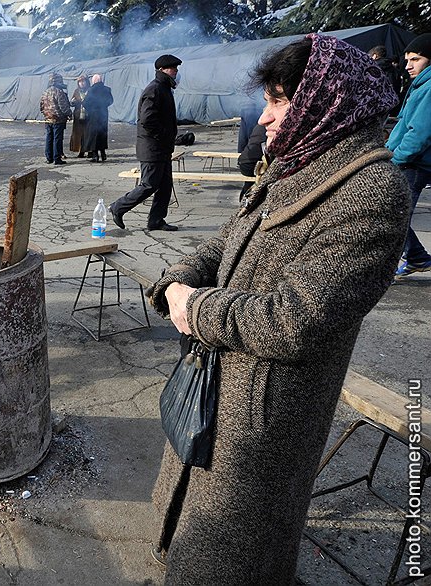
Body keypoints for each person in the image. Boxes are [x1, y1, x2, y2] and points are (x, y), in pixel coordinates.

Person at [147, 35, 409, 584]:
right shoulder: (296, 162)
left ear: (324, 101)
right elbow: (229, 238)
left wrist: (197, 310)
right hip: (219, 382)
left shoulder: (373, 192)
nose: (264, 117)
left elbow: (298, 319)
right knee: (195, 539)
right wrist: (179, 278)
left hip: (265, 412)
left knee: (235, 555)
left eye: (279, 100)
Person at [109, 55, 182, 231]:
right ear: (162, 70)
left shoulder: (164, 88)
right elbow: (147, 120)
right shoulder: (155, 89)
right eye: (173, 68)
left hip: (162, 147)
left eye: (177, 68)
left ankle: (156, 220)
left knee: (165, 186)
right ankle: (118, 207)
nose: (176, 71)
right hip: (153, 148)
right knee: (149, 185)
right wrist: (164, 135)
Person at [386, 33, 431, 279]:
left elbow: (420, 132)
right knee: (395, 216)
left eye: (416, 59)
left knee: (394, 217)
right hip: (406, 160)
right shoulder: (421, 85)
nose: (408, 66)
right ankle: (417, 258)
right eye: (407, 60)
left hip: (412, 163)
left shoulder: (430, 87)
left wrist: (397, 158)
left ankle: (391, 267)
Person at [39, 72, 71, 165]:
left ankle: (49, 158)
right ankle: (57, 158)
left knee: (49, 138)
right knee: (57, 139)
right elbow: (63, 107)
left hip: (48, 119)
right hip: (58, 120)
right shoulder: (59, 92)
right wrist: (69, 114)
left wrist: (46, 114)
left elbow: (41, 106)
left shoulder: (45, 92)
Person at [81, 73, 113, 163]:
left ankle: (95, 156)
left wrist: (91, 109)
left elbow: (85, 102)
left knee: (94, 135)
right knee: (102, 134)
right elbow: (110, 101)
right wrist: (103, 106)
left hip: (93, 116)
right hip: (103, 115)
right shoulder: (107, 89)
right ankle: (103, 154)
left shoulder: (91, 90)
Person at [69, 75, 90, 158]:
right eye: (80, 82)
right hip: (78, 115)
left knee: (87, 133)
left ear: (86, 82)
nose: (82, 83)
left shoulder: (90, 91)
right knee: (79, 134)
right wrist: (73, 102)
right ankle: (81, 150)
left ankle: (89, 150)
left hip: (88, 115)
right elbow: (72, 101)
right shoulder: (77, 91)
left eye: (83, 81)